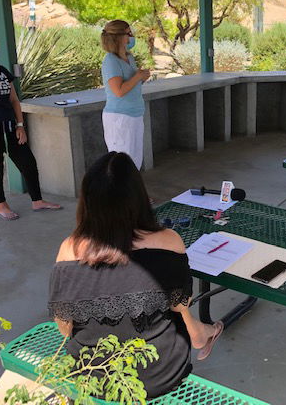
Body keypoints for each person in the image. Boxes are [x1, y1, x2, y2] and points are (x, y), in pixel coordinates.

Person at [49, 152, 223, 399]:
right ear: (138, 198)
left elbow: (65, 330)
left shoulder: (69, 250)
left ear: (87, 202)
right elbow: (180, 306)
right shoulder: (168, 241)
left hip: (90, 378)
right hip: (158, 377)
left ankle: (201, 333)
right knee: (176, 312)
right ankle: (202, 334)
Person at [0, 31, 60, 220]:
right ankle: (2, 206)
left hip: (9, 124)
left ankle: (37, 201)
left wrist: (20, 125)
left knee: (27, 161)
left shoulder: (1, 70)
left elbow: (14, 100)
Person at [101, 20, 150, 169]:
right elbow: (118, 91)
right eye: (129, 33)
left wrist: (141, 78)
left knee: (134, 162)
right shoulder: (110, 61)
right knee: (121, 165)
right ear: (118, 37)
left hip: (135, 115)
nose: (131, 37)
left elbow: (130, 86)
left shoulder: (129, 58)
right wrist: (137, 76)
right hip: (120, 118)